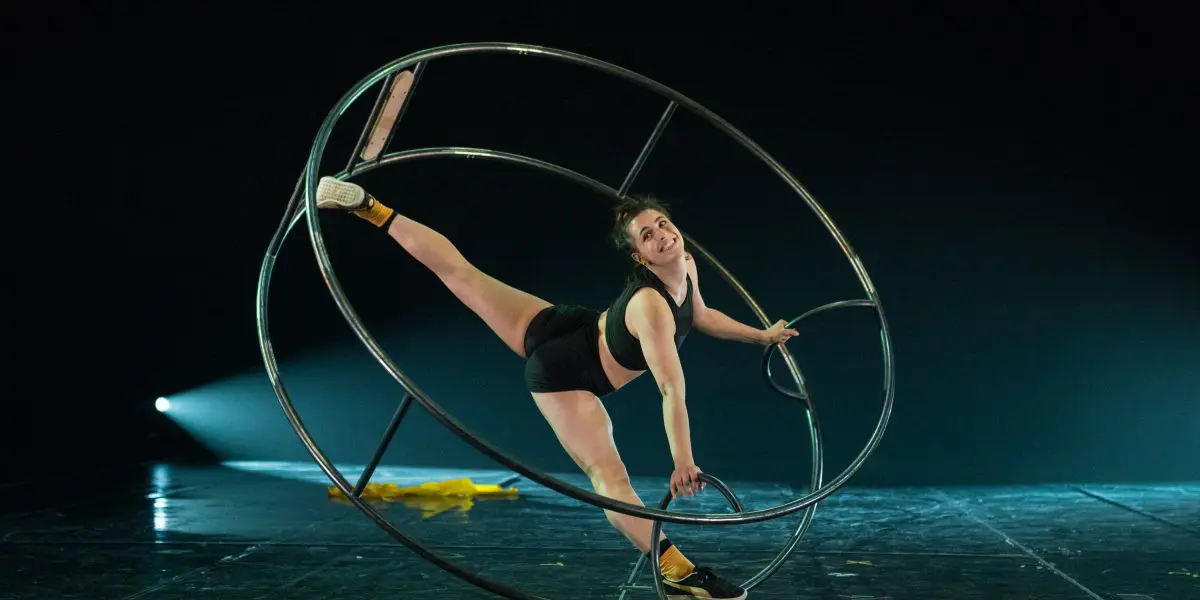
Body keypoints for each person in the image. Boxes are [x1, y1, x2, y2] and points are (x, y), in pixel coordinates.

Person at [316, 176, 797, 599]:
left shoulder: (687, 265)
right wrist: (683, 461)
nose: (662, 236)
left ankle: (371, 208)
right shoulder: (650, 307)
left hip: (572, 325)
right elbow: (671, 389)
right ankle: (678, 572)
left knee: (464, 274)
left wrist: (761, 335)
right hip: (566, 374)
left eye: (662, 224)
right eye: (647, 236)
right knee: (610, 480)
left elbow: (701, 314)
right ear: (638, 256)